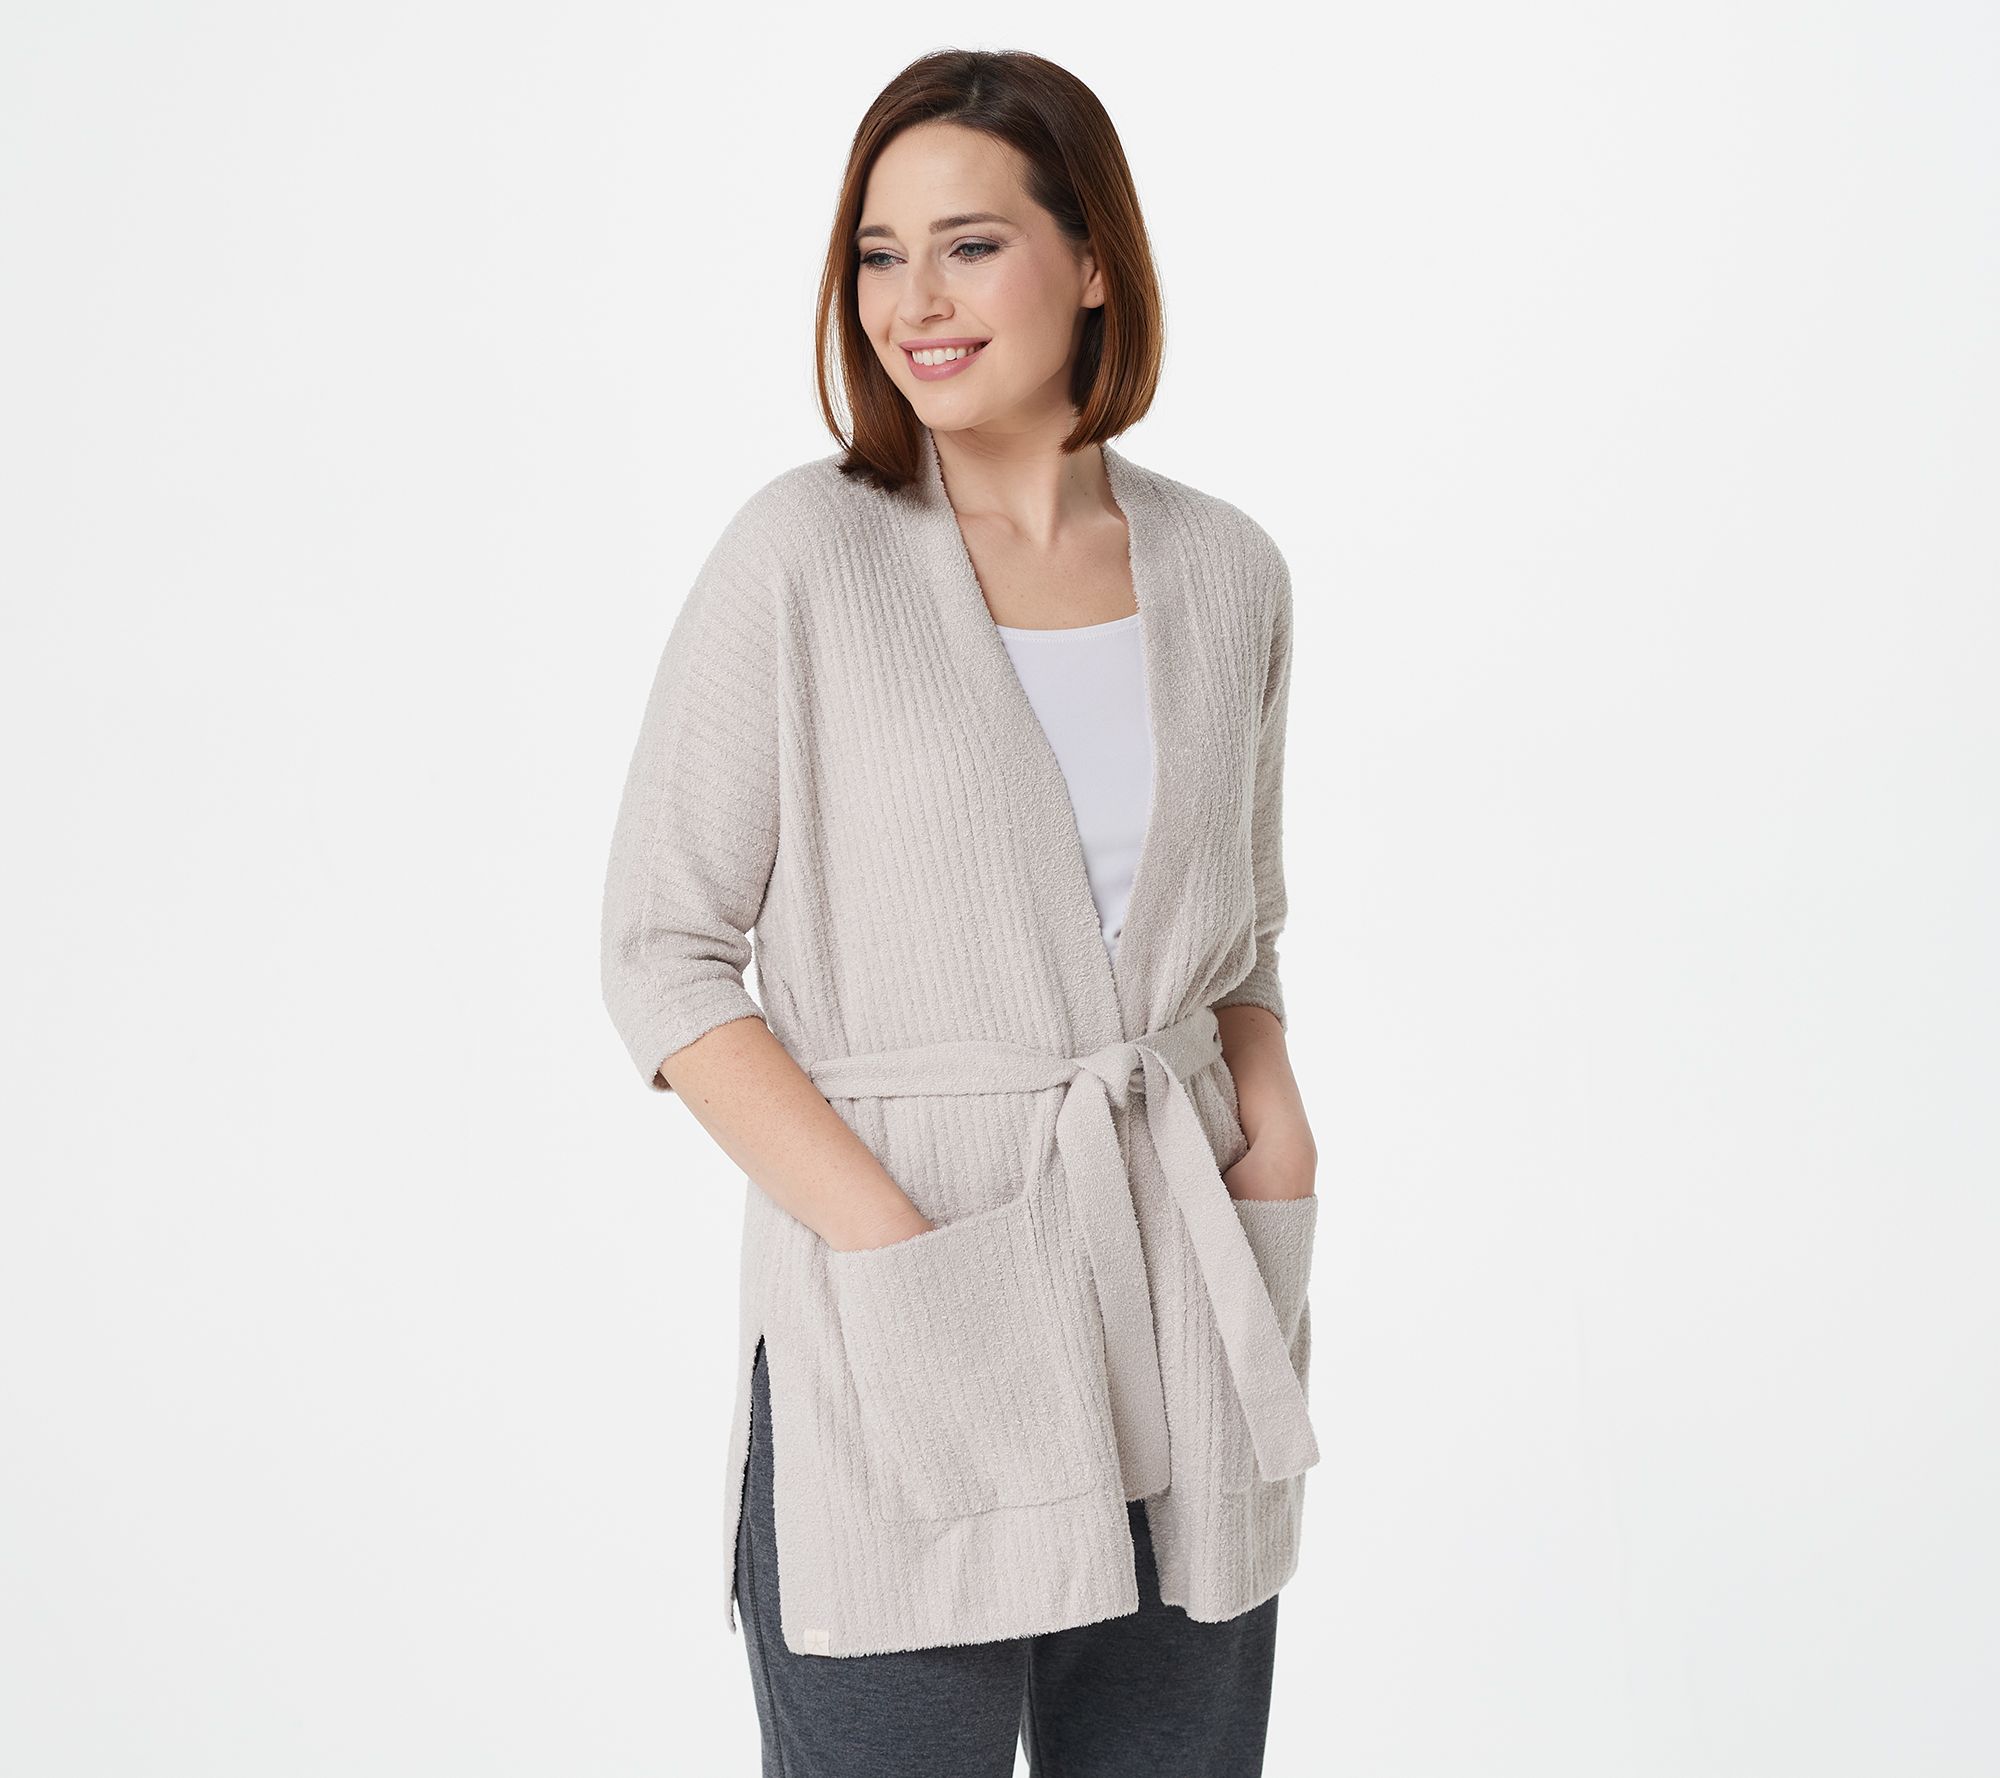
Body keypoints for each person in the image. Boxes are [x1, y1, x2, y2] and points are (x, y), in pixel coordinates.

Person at [599, 47, 1320, 1778]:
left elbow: (1240, 930)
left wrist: (1275, 1131)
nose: (912, 301)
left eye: (970, 246)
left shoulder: (1228, 569)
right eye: (877, 254)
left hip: (1183, 1282)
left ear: (1093, 261)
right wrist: (889, 1244)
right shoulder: (803, 555)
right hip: (905, 1307)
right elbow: (661, 951)